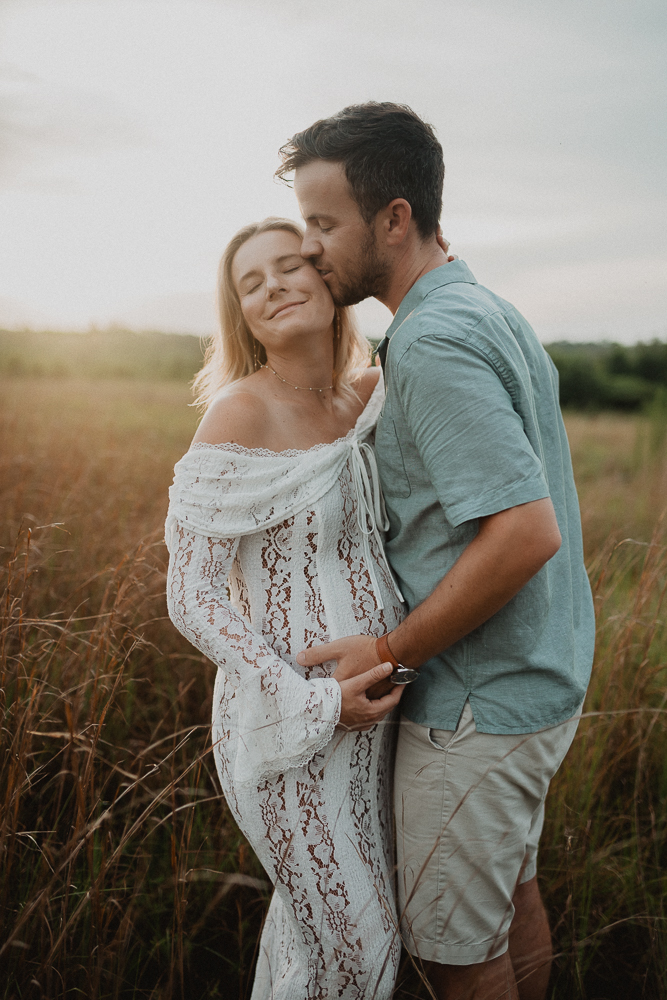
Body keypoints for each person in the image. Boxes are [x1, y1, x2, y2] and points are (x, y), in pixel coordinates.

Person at [280, 103, 595, 1000]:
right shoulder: (475, 306)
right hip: (532, 680)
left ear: (394, 217)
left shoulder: (435, 338)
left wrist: (387, 652)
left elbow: (524, 532)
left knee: (452, 957)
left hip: (475, 706)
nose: (309, 248)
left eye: (323, 222)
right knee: (506, 900)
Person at [164, 217, 410, 999]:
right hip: (288, 729)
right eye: (250, 282)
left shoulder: (365, 395)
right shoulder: (240, 411)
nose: (272, 286)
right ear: (240, 313)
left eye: (288, 266)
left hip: (373, 724)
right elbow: (191, 592)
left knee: (315, 944)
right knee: (361, 956)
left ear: (327, 276)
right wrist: (311, 700)